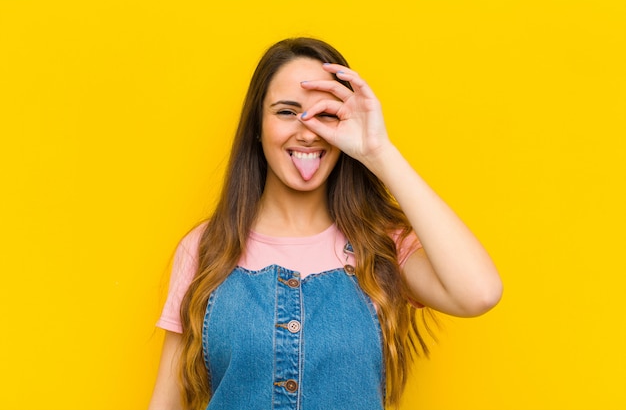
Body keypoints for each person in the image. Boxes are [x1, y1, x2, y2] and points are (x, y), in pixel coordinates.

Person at [148, 37, 502, 410]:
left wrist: (379, 151)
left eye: (326, 115)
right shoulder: (205, 248)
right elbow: (167, 403)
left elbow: (479, 293)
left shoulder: (383, 246)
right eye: (286, 112)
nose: (307, 131)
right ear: (257, 125)